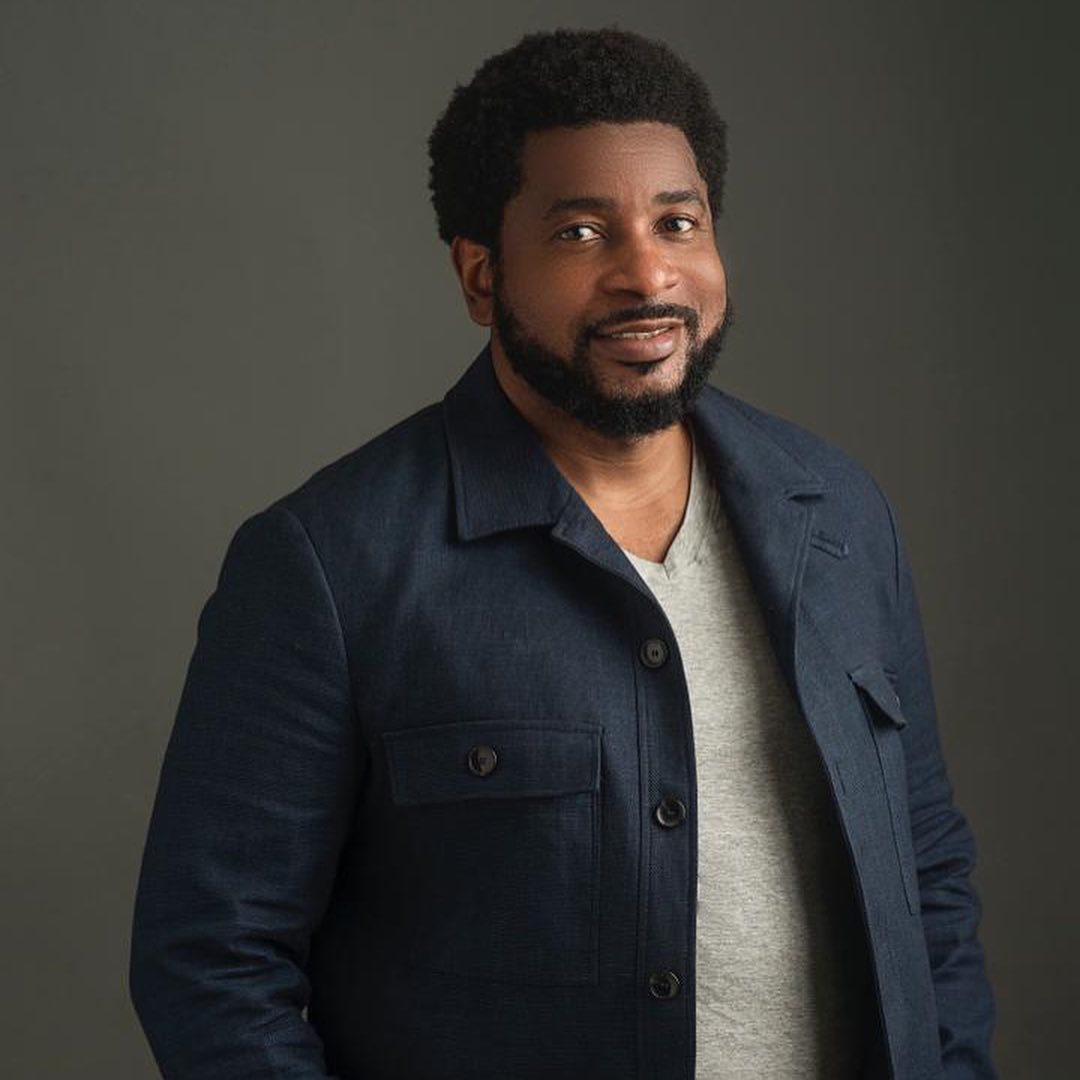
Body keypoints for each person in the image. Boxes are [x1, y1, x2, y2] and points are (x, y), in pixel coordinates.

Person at [129, 27, 996, 1080]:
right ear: (481, 275)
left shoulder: (841, 514)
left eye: (678, 221)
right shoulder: (327, 565)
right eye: (582, 232)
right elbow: (211, 960)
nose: (648, 272)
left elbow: (926, 870)